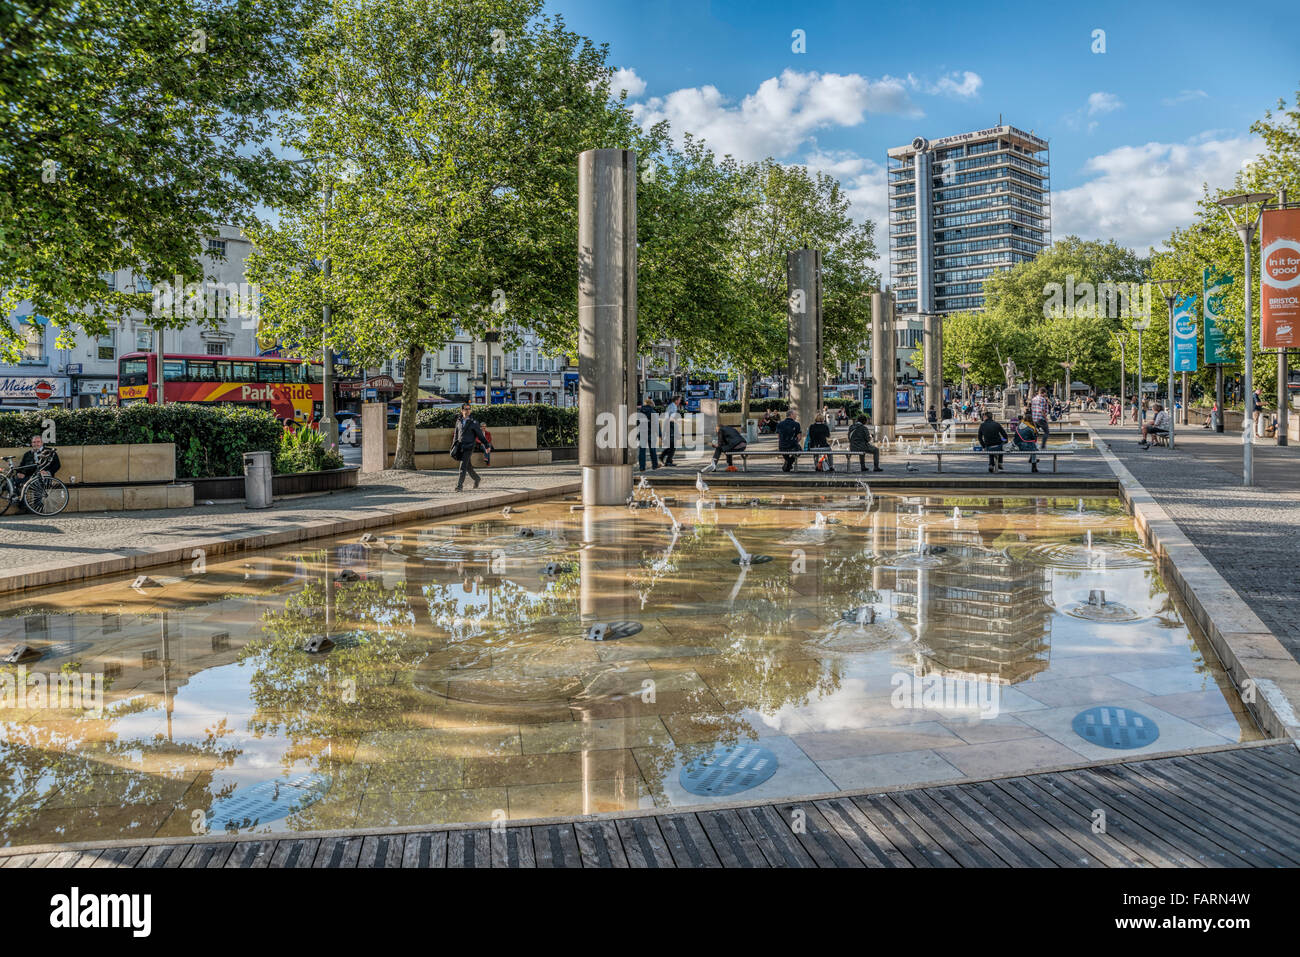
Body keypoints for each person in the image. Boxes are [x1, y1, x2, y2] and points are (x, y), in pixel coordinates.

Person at [451, 403, 488, 491]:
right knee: (468, 466)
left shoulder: (474, 422)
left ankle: (459, 486)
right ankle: (477, 478)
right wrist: (453, 446)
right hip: (460, 446)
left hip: (469, 446)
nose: (468, 411)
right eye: (466, 409)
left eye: (469, 409)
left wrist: (487, 445)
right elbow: (456, 434)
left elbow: (480, 435)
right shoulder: (458, 421)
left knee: (462, 466)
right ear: (462, 410)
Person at [636, 397, 659, 471]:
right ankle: (654, 465)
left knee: (642, 451)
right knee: (652, 450)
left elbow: (637, 423)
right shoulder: (653, 412)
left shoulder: (640, 412)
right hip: (651, 433)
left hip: (642, 433)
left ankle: (642, 467)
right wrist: (660, 434)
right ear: (651, 404)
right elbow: (656, 424)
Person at [661, 394, 680, 465]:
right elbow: (671, 418)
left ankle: (666, 458)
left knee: (671, 445)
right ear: (676, 400)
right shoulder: (673, 407)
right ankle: (667, 460)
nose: (679, 401)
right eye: (679, 400)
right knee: (672, 445)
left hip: (669, 426)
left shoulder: (672, 406)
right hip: (670, 426)